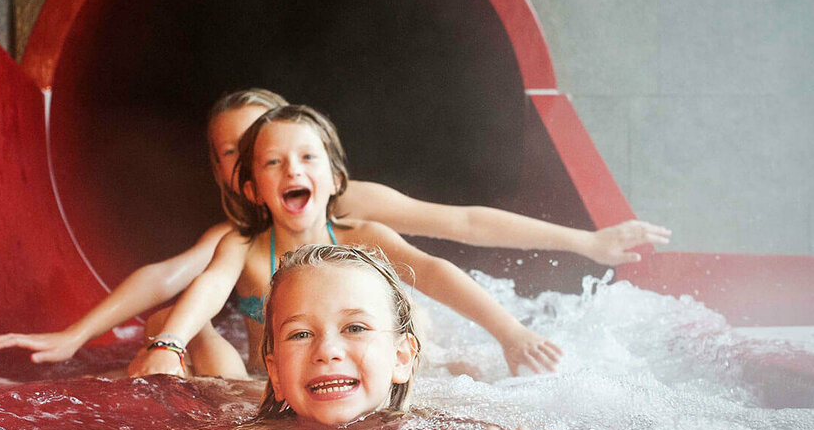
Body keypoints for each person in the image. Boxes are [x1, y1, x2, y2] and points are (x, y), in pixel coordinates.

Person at [0, 88, 670, 368]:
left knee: (417, 336)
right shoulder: (239, 242)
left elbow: (456, 230)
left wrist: (586, 246)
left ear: (326, 167)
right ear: (238, 174)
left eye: (294, 150)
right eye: (243, 152)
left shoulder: (352, 213)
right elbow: (175, 279)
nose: (279, 165)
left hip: (370, 352)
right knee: (187, 335)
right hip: (285, 372)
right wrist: (88, 335)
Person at [19, 244, 600, 430]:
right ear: (273, 368)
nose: (326, 352)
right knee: (215, 375)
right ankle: (187, 335)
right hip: (237, 390)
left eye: (353, 328)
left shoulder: (441, 425)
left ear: (402, 358)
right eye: (298, 335)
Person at [127, 104, 571, 379]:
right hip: (272, 384)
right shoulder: (243, 248)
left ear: (335, 178)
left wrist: (510, 333)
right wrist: (169, 344)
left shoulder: (363, 236)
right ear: (252, 189)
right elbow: (208, 287)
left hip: (360, 373)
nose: (292, 172)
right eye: (273, 163)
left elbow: (433, 271)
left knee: (419, 335)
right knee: (173, 323)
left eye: (306, 158)